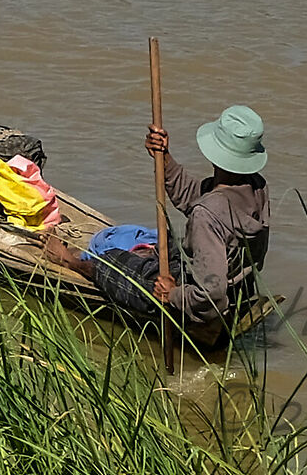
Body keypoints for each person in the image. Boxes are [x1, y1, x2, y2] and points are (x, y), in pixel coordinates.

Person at [49, 105, 272, 339]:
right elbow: (194, 197)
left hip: (202, 303)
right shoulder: (256, 186)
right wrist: (164, 157)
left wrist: (173, 294)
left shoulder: (206, 214)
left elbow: (212, 293)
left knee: (110, 263)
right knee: (166, 243)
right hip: (237, 286)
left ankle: (68, 261)